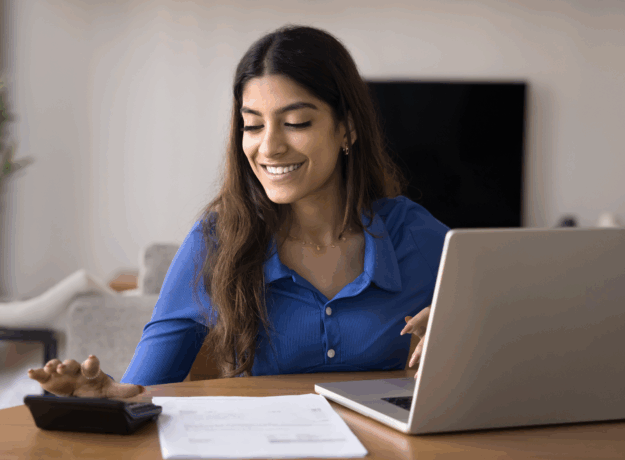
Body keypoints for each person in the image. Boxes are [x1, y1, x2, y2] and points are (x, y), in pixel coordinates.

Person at [28, 24, 449, 398]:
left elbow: (506, 333)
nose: (269, 147)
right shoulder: (216, 240)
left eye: (296, 122)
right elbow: (148, 387)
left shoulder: (411, 232)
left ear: (348, 128)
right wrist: (108, 396)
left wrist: (458, 331)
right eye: (253, 124)